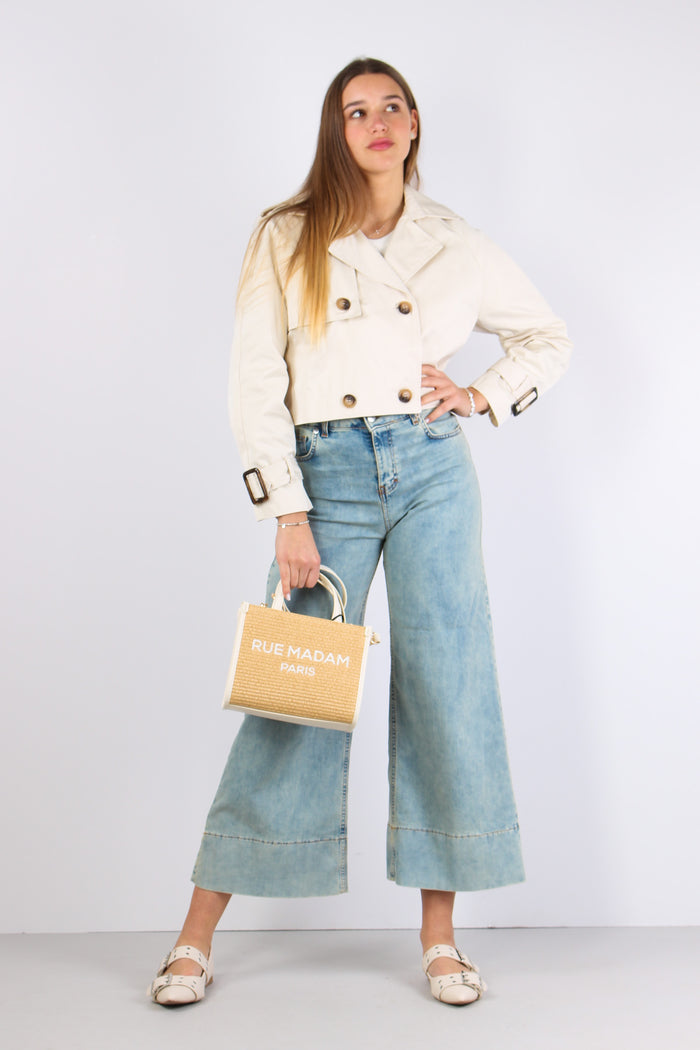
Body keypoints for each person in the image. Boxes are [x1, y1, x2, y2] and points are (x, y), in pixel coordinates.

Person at [148, 57, 571, 1008]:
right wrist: (286, 510)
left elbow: (548, 337)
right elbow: (255, 376)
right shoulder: (288, 232)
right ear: (335, 131)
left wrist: (480, 395)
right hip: (326, 474)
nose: (376, 122)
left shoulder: (455, 240)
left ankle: (441, 939)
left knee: (448, 686)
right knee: (294, 691)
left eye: (391, 106)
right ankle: (193, 936)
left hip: (431, 470)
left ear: (414, 123)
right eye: (356, 111)